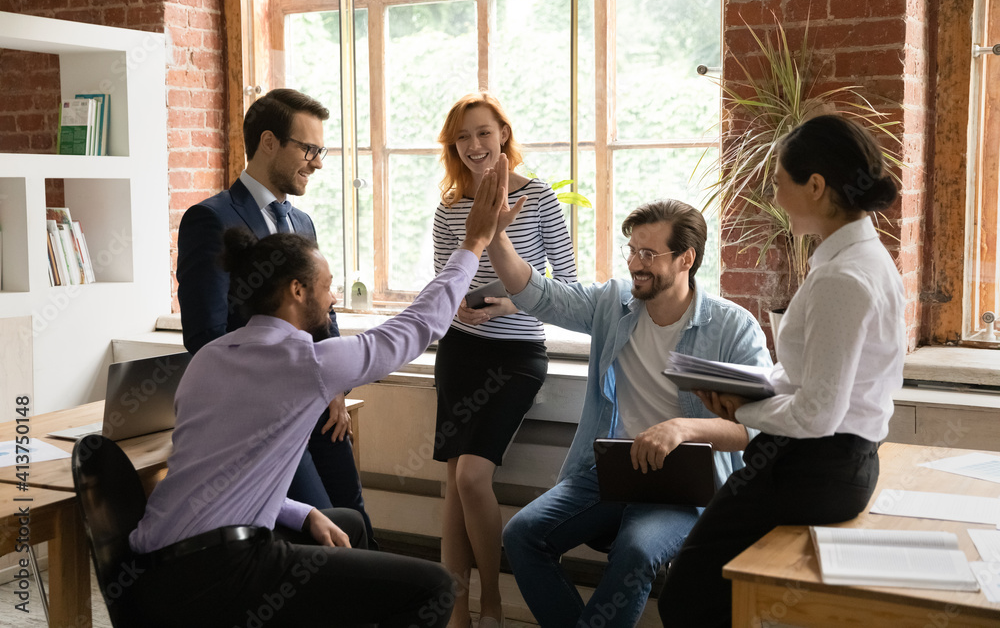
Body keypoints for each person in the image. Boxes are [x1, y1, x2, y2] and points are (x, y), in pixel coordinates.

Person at [128, 161, 511, 627]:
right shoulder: (305, 363)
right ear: (296, 290)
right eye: (327, 287)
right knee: (433, 589)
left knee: (341, 523)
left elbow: (223, 477)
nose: (332, 299)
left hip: (156, 574)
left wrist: (305, 511)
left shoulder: (208, 359)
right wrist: (473, 244)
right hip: (220, 575)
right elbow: (417, 327)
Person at [483, 153, 771, 628]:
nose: (636, 263)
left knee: (635, 551)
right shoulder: (611, 305)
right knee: (522, 535)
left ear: (686, 259)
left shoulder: (730, 327)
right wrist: (496, 235)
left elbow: (757, 427)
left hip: (686, 486)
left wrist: (681, 427)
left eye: (649, 255)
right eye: (632, 251)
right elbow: (537, 293)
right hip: (610, 472)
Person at [658, 114, 906, 627]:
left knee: (686, 598)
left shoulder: (845, 277)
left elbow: (817, 413)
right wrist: (741, 384)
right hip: (822, 463)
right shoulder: (854, 259)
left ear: (815, 186)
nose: (773, 194)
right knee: (703, 596)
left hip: (815, 468)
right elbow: (806, 377)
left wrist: (742, 407)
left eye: (779, 181)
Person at [175, 88, 375, 546]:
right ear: (269, 142)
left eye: (320, 151)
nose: (318, 162)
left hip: (320, 406)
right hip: (261, 414)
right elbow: (206, 334)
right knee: (318, 533)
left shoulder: (302, 223)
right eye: (309, 149)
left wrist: (336, 387)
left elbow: (322, 312)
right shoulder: (210, 219)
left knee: (354, 518)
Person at [431, 92, 578, 628]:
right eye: (463, 137)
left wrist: (515, 301)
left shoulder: (538, 199)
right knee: (454, 481)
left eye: (483, 133)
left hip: (516, 354)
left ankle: (492, 601)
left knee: (471, 477)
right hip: (461, 350)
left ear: (504, 135)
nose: (474, 145)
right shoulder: (450, 207)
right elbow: (443, 287)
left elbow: (568, 285)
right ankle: (456, 609)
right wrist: (458, 316)